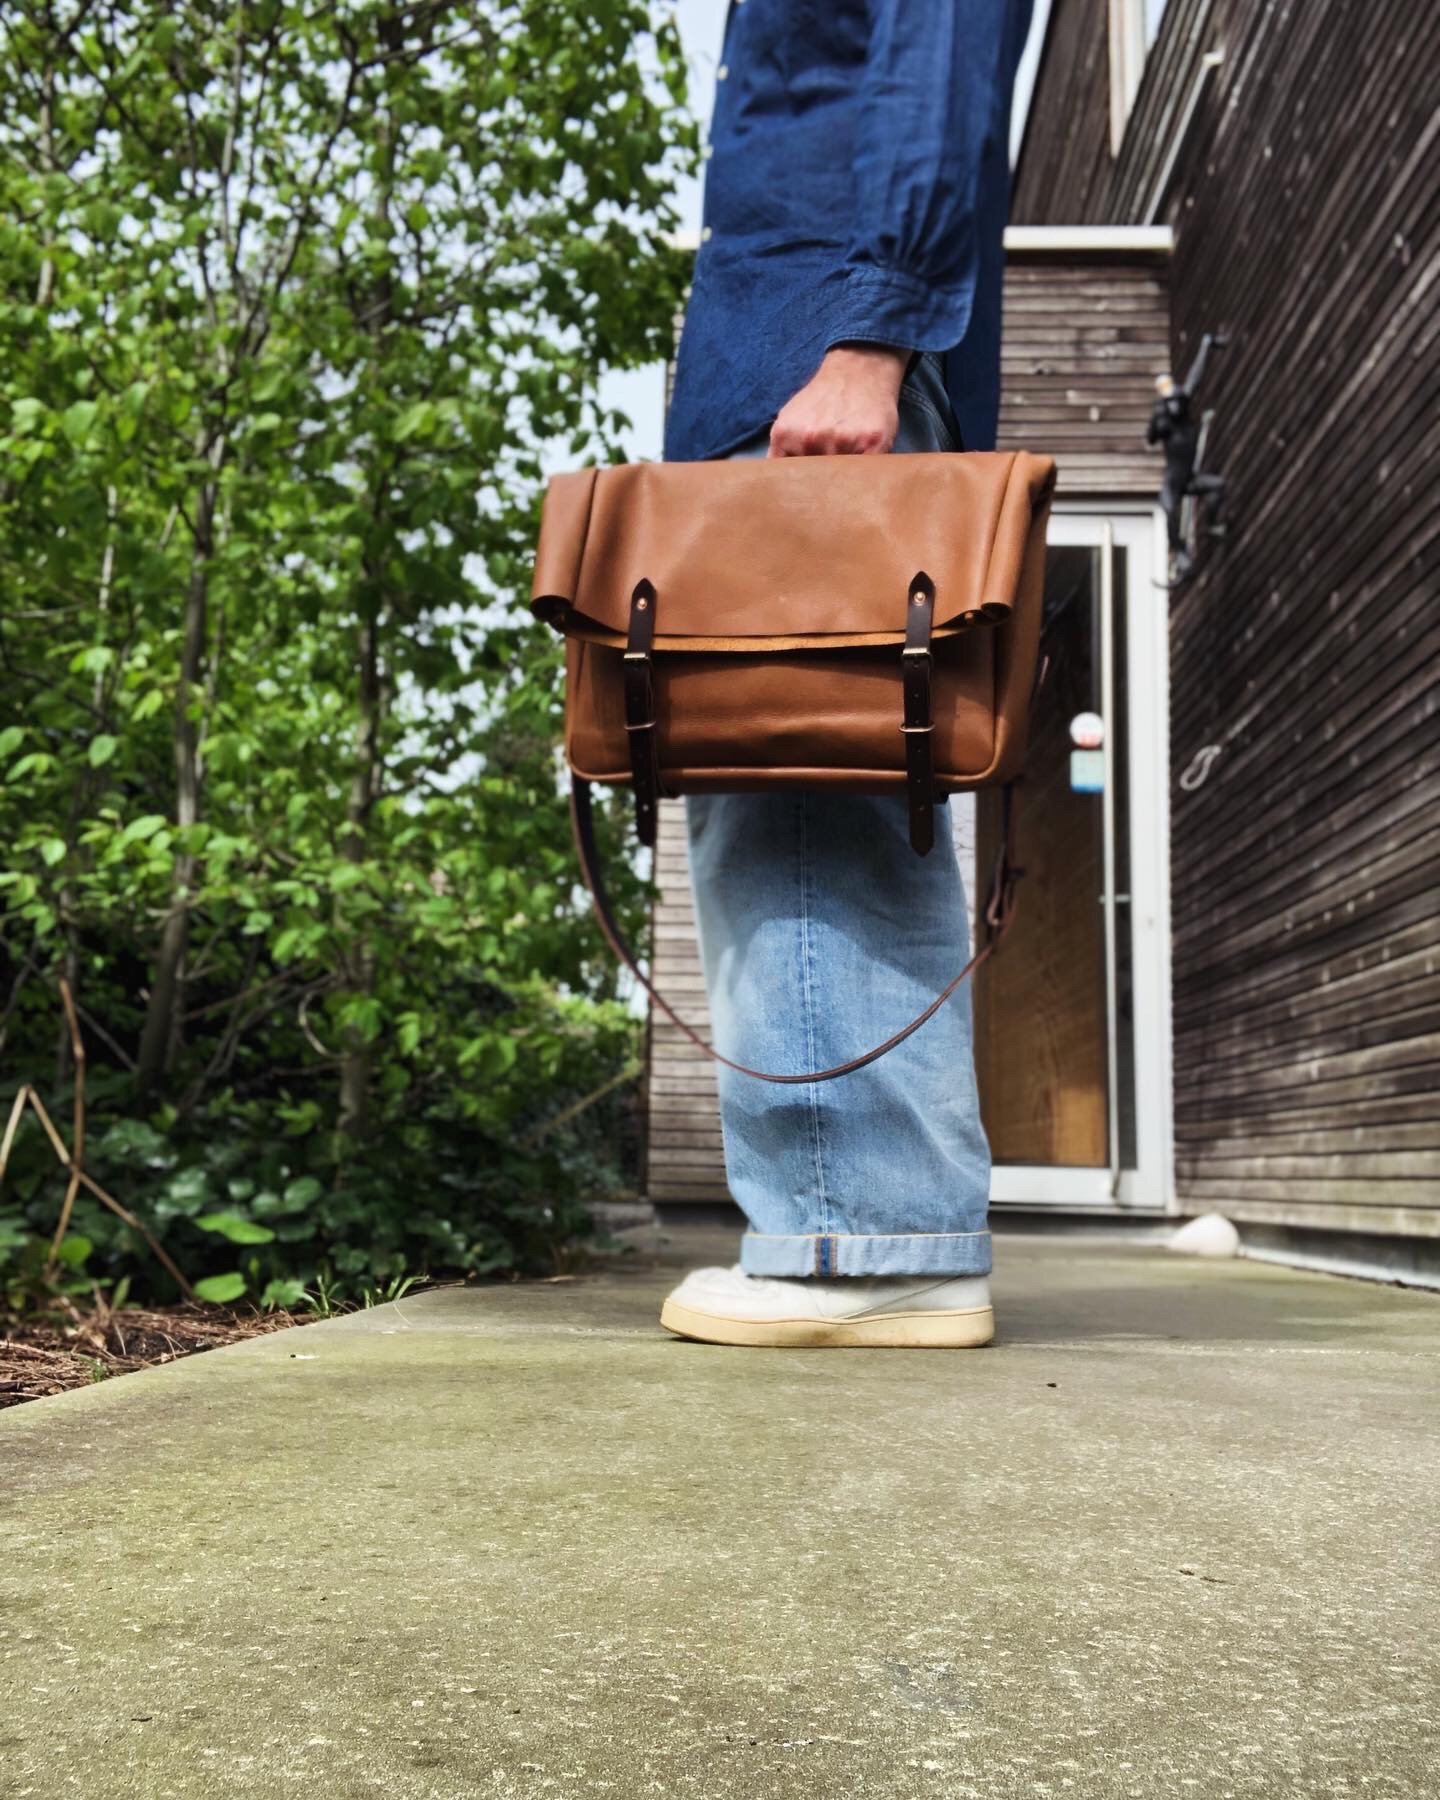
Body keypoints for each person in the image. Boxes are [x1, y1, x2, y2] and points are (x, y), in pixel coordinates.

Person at [657, 0, 1036, 1349]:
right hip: (802, 339)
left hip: (820, 344)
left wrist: (870, 338)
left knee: (800, 780)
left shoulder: (845, 353)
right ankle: (876, 1229)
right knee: (802, 774)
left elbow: (940, 42)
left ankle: (859, 1241)